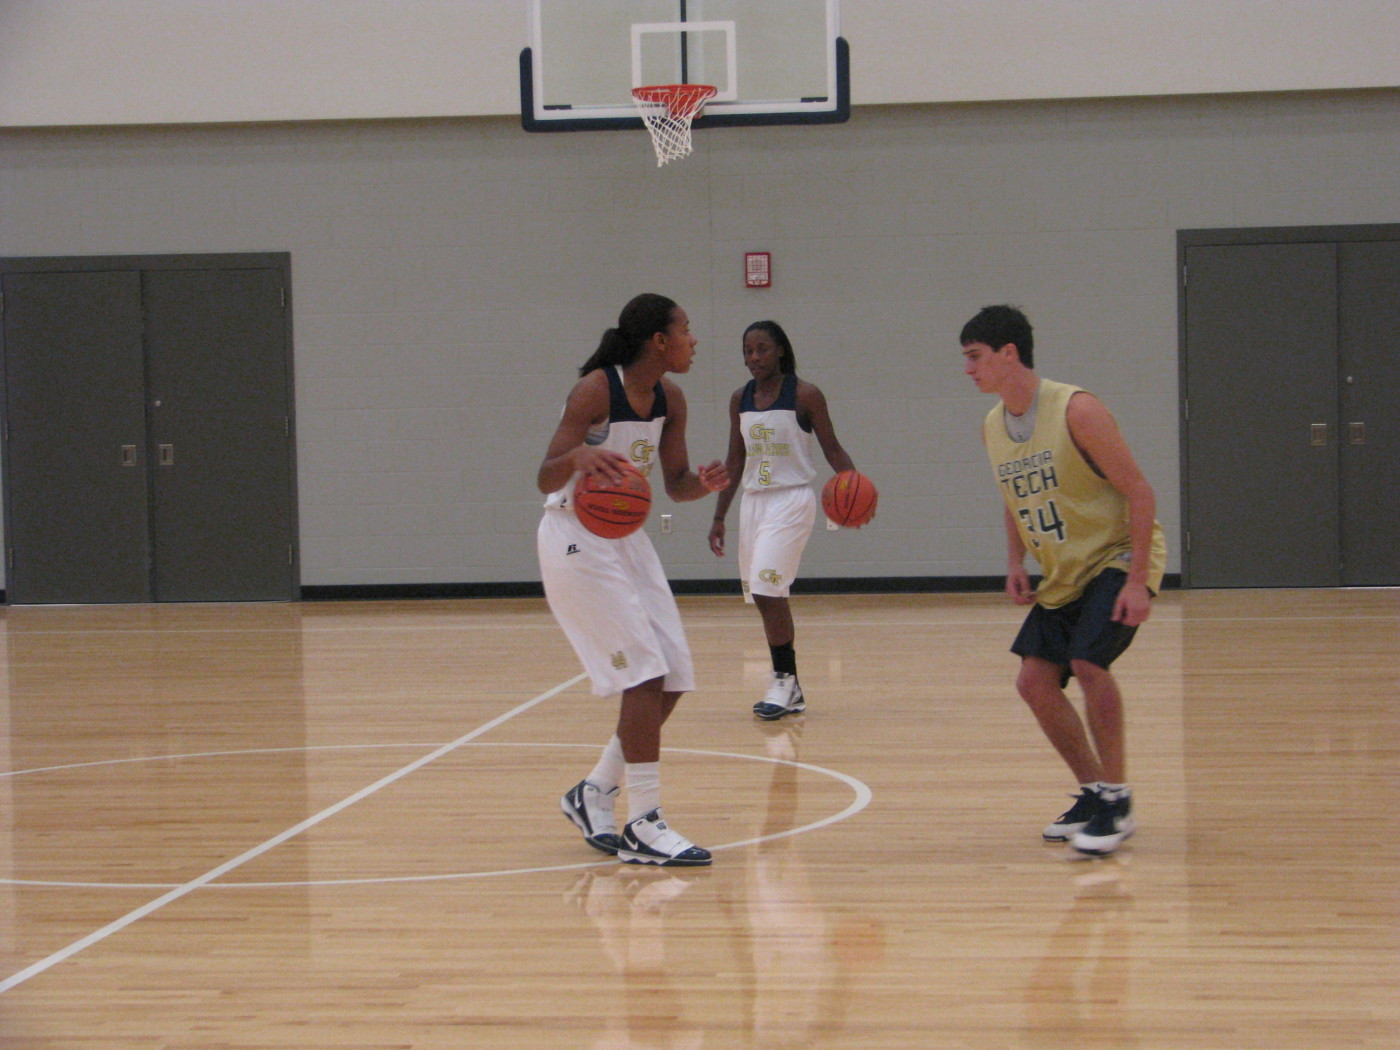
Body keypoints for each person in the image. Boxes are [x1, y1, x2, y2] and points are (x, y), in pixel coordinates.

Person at [960, 304, 1166, 856]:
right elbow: (1013, 498)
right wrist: (1014, 562)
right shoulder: (991, 427)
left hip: (1116, 557)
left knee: (1088, 661)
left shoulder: (1077, 409)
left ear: (1009, 353)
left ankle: (1118, 800)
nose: (968, 370)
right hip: (1063, 571)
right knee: (1032, 681)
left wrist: (1136, 579)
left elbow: (1140, 492)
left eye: (974, 357)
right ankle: (1095, 791)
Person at [539, 293, 728, 867]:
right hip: (575, 536)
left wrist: (705, 483)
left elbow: (673, 482)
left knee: (671, 677)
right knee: (644, 675)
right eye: (687, 330)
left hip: (627, 541)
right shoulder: (597, 389)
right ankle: (644, 822)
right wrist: (577, 459)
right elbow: (542, 473)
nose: (695, 340)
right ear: (659, 341)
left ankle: (593, 791)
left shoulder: (670, 397)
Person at [708, 320, 857, 720]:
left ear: (780, 352)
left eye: (761, 349)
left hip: (791, 500)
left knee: (767, 587)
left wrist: (854, 485)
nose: (753, 357)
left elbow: (832, 447)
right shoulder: (739, 398)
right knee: (761, 593)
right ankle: (790, 685)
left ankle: (784, 681)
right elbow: (735, 461)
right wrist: (719, 514)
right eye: (748, 351)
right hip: (753, 503)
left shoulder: (805, 394)